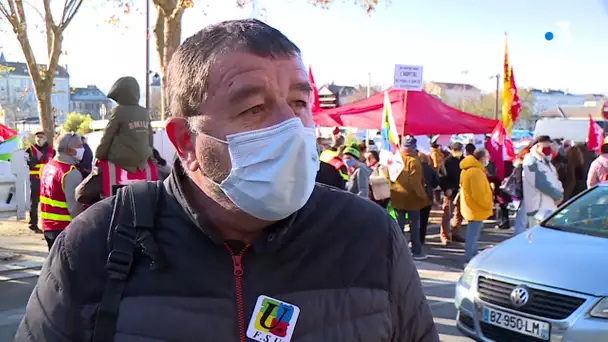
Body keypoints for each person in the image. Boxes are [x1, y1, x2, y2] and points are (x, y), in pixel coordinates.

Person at [17, 19, 438, 342]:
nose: (292, 126)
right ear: (185, 141)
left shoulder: (368, 236)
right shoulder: (97, 244)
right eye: (254, 108)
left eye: (299, 102)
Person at [95, 76, 154, 173]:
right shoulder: (144, 112)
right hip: (142, 160)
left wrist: (99, 155)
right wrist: (150, 155)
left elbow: (108, 136)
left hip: (121, 159)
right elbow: (150, 138)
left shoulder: (118, 111)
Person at [38, 133, 83, 249]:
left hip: (48, 227)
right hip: (65, 229)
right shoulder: (71, 173)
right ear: (70, 151)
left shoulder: (47, 167)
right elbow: (74, 208)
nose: (82, 149)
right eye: (80, 146)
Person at [389, 136, 430, 260]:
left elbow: (388, 174)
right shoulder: (414, 161)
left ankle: (398, 250)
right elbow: (415, 182)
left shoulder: (395, 158)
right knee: (414, 225)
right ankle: (416, 250)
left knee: (398, 225)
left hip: (396, 195)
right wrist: (424, 197)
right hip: (412, 198)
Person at [75, 157, 159, 206]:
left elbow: (81, 194)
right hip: (147, 225)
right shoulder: (152, 162)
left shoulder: (105, 164)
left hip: (114, 226)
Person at [459, 148, 493, 263]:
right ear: (482, 158)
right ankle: (469, 259)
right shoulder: (475, 171)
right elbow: (478, 193)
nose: (488, 159)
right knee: (472, 235)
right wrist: (488, 204)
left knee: (473, 234)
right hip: (475, 207)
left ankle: (472, 254)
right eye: (487, 156)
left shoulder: (470, 169)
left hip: (472, 207)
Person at [522, 135, 564, 227]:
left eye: (549, 147)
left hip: (549, 206)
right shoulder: (531, 161)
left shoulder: (547, 162)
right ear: (536, 147)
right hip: (538, 209)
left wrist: (561, 193)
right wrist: (557, 195)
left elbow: (555, 179)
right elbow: (539, 182)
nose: (548, 150)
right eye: (545, 147)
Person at [26, 131, 55, 233]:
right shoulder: (30, 149)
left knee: (48, 202)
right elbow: (27, 163)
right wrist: (35, 159)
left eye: (41, 137)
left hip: (48, 180)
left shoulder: (51, 150)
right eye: (37, 137)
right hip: (35, 179)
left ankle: (48, 224)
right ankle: (33, 223)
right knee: (34, 202)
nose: (39, 139)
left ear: (45, 138)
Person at [438, 142, 465, 245]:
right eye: (456, 150)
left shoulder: (464, 161)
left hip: (461, 189)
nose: (458, 152)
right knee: (447, 213)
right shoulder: (446, 162)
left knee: (460, 213)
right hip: (450, 191)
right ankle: (444, 235)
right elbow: (441, 177)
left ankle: (455, 232)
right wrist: (446, 188)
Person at [418, 152, 439, 246]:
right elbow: (436, 183)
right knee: (424, 219)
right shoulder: (430, 169)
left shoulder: (416, 168)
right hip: (428, 196)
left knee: (415, 218)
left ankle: (415, 237)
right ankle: (421, 238)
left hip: (417, 195)